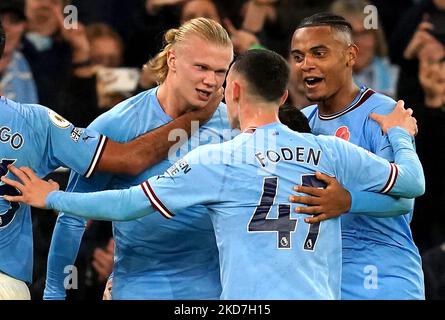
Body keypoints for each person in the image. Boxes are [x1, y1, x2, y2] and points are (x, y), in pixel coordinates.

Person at [3, 49, 425, 299]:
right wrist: (400, 136)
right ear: (282, 95)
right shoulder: (331, 150)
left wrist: (51, 198)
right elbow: (411, 186)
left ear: (234, 91)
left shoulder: (220, 159)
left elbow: (128, 203)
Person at [0, 20, 222, 300]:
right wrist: (55, 291)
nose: (211, 81)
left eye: (221, 71)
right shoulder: (115, 122)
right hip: (139, 288)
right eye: (201, 67)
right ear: (173, 59)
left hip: (219, 290)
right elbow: (77, 217)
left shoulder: (237, 127)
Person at [289, 13, 425, 299]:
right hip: (324, 280)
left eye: (319, 53)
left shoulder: (383, 112)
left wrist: (348, 201)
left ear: (350, 55)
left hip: (384, 278)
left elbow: (405, 199)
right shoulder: (301, 122)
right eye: (298, 57)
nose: (306, 64)